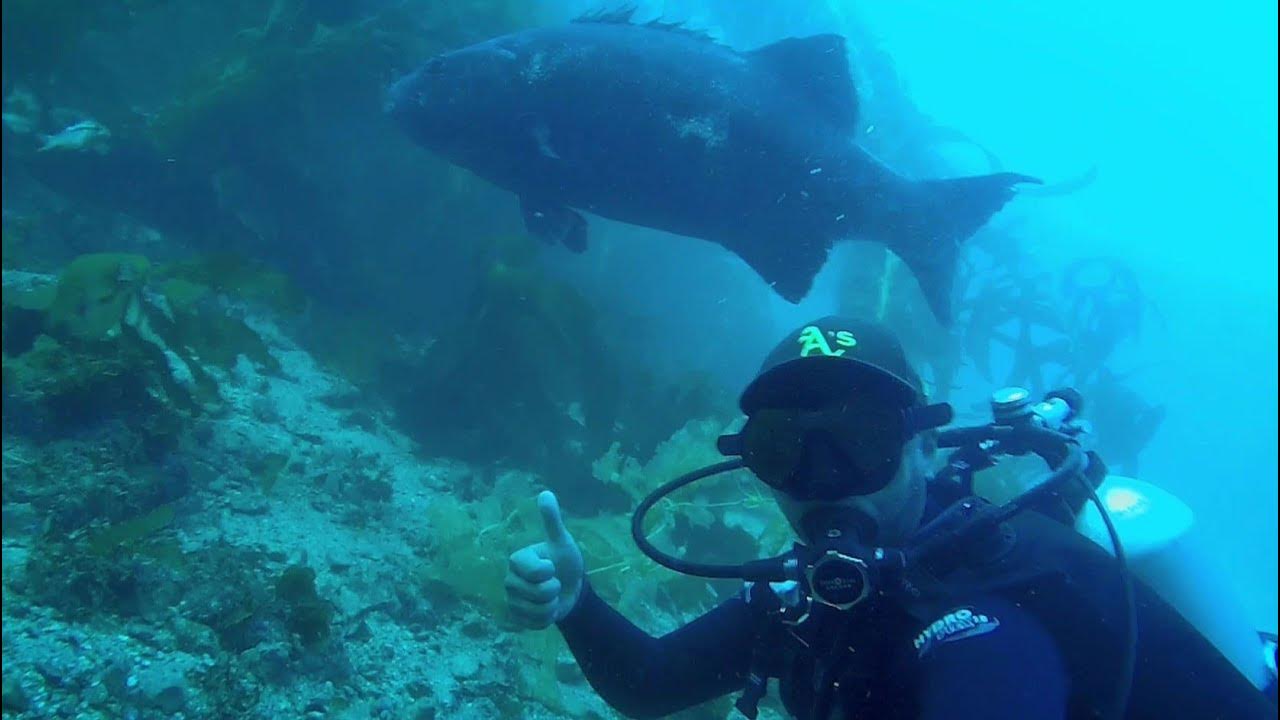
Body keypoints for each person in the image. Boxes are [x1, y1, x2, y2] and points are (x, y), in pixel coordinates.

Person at [505, 316, 1277, 719]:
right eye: (785, 451)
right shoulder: (814, 596)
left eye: (860, 443)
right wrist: (578, 603)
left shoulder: (994, 602)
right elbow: (649, 684)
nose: (825, 484)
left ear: (927, 448)